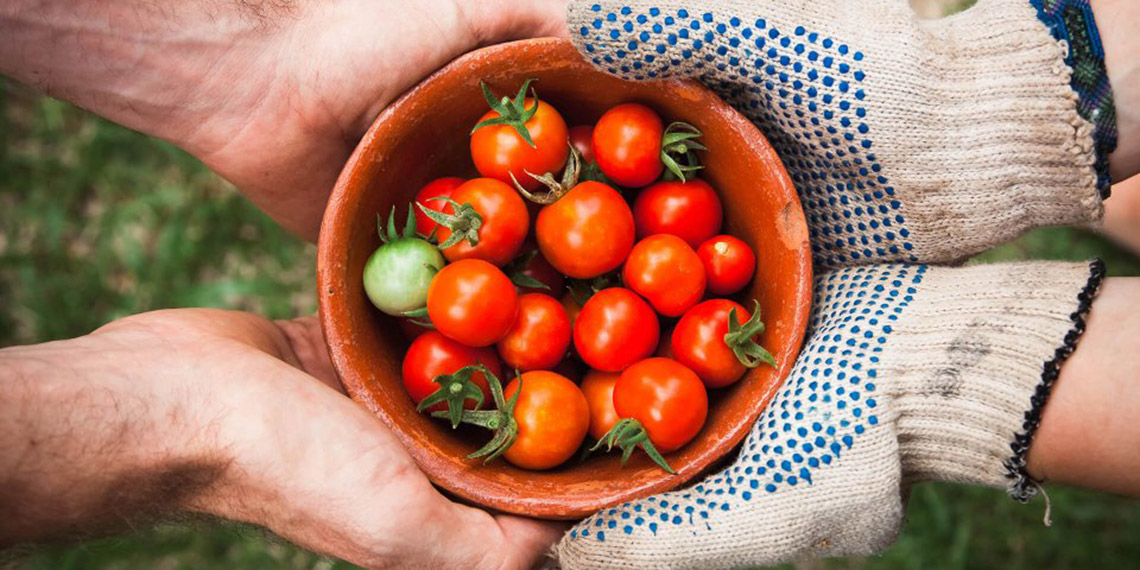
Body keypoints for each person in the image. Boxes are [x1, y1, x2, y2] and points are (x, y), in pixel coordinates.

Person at [0, 0, 1137, 568]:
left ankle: (1060, 151)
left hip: (642, 310)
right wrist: (185, 425)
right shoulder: (530, 298)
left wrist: (989, 96)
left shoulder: (539, 254)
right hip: (635, 332)